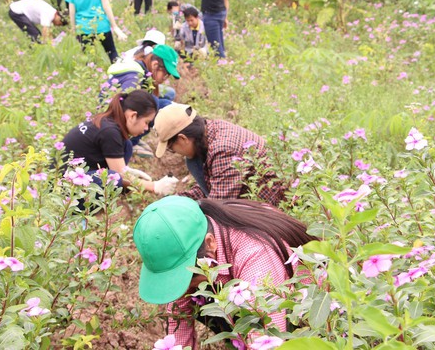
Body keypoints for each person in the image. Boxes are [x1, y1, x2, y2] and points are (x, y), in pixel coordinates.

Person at [133, 196, 317, 348]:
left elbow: (267, 339)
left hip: (306, 312)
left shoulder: (255, 255)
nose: (183, 289)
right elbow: (177, 324)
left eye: (189, 277)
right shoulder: (197, 231)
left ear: (210, 243)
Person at [152, 103, 287, 206]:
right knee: (193, 162)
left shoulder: (223, 150)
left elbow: (219, 205)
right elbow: (214, 182)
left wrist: (186, 210)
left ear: (183, 139)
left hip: (273, 205)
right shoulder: (211, 130)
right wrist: (180, 199)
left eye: (171, 148)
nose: (176, 153)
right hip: (243, 192)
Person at [60, 90, 179, 196]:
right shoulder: (110, 132)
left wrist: (125, 171)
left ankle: (122, 192)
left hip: (76, 173)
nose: (146, 128)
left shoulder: (108, 122)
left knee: (127, 146)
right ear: (133, 116)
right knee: (113, 179)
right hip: (63, 186)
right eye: (146, 122)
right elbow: (118, 175)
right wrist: (154, 186)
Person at [104, 43, 180, 158]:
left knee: (166, 98)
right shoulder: (134, 77)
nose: (165, 79)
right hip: (113, 122)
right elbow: (123, 109)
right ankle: (131, 142)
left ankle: (134, 138)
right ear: (155, 65)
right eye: (165, 74)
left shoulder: (143, 70)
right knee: (157, 107)